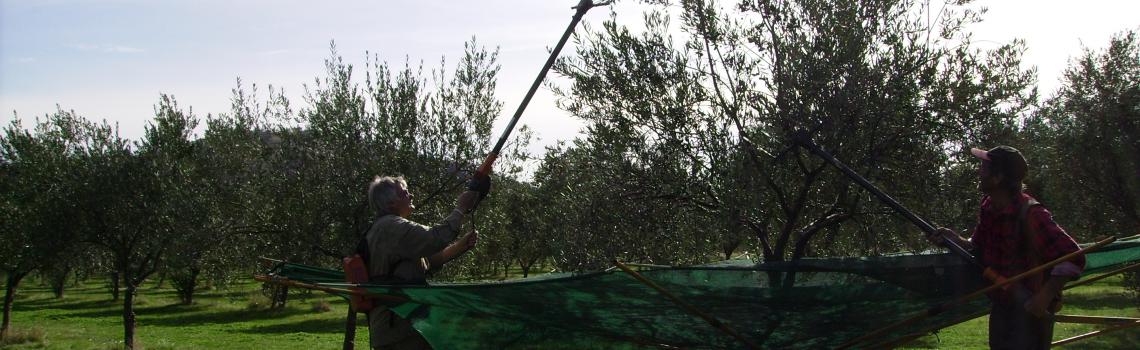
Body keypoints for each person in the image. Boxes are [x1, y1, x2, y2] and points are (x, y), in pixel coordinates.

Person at [928, 146, 1085, 349]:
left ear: (998, 178)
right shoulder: (988, 207)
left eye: (984, 167)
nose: (979, 172)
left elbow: (1072, 256)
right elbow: (977, 247)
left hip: (1030, 311)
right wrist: (954, 239)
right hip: (1002, 305)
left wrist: (1044, 297)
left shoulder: (1031, 214)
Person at [364, 175, 482, 350]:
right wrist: (461, 208)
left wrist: (460, 246)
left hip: (400, 326)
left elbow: (431, 261)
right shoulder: (392, 227)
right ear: (391, 204)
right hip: (398, 329)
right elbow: (435, 237)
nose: (411, 196)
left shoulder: (387, 229)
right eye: (405, 193)